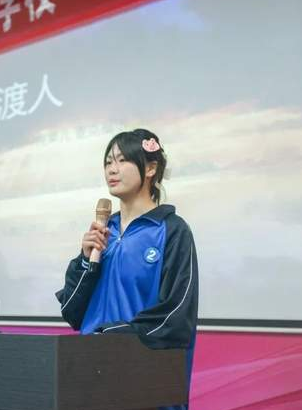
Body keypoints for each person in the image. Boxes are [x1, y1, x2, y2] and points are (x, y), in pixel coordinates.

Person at [55, 129, 199, 410]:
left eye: (122, 160)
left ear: (151, 168)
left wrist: (110, 335)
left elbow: (174, 316)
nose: (112, 169)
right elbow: (72, 312)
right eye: (108, 162)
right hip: (92, 375)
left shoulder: (172, 230)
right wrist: (85, 260)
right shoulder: (103, 231)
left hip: (145, 382)